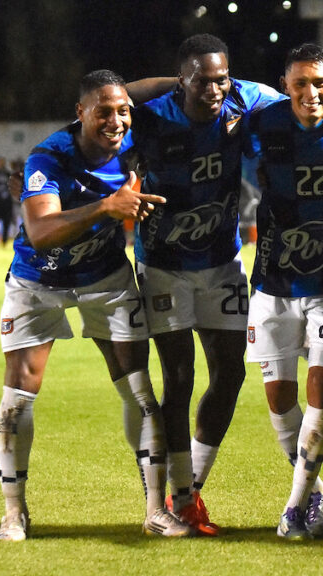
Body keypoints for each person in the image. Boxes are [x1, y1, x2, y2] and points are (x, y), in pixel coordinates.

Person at [0, 70, 190, 541]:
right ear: (79, 113)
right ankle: (14, 512)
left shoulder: (129, 132)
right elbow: (41, 233)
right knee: (18, 396)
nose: (116, 121)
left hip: (104, 276)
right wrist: (106, 207)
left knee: (139, 390)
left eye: (123, 112)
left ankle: (155, 510)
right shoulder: (49, 157)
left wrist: (193, 80)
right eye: (103, 112)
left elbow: (151, 92)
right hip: (38, 280)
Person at [129, 33, 291, 535]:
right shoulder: (152, 115)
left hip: (222, 262)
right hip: (164, 264)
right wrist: (177, 82)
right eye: (203, 81)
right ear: (181, 80)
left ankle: (190, 492)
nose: (216, 89)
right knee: (178, 379)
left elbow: (305, 94)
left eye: (223, 78)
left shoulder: (244, 98)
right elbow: (111, 96)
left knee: (231, 374)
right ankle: (177, 498)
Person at [245, 42, 323, 540]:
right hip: (273, 280)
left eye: (321, 82)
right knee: (279, 400)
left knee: (321, 386)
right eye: (300, 83)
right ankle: (317, 492)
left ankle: (295, 508)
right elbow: (208, 94)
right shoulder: (262, 121)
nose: (311, 93)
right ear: (285, 86)